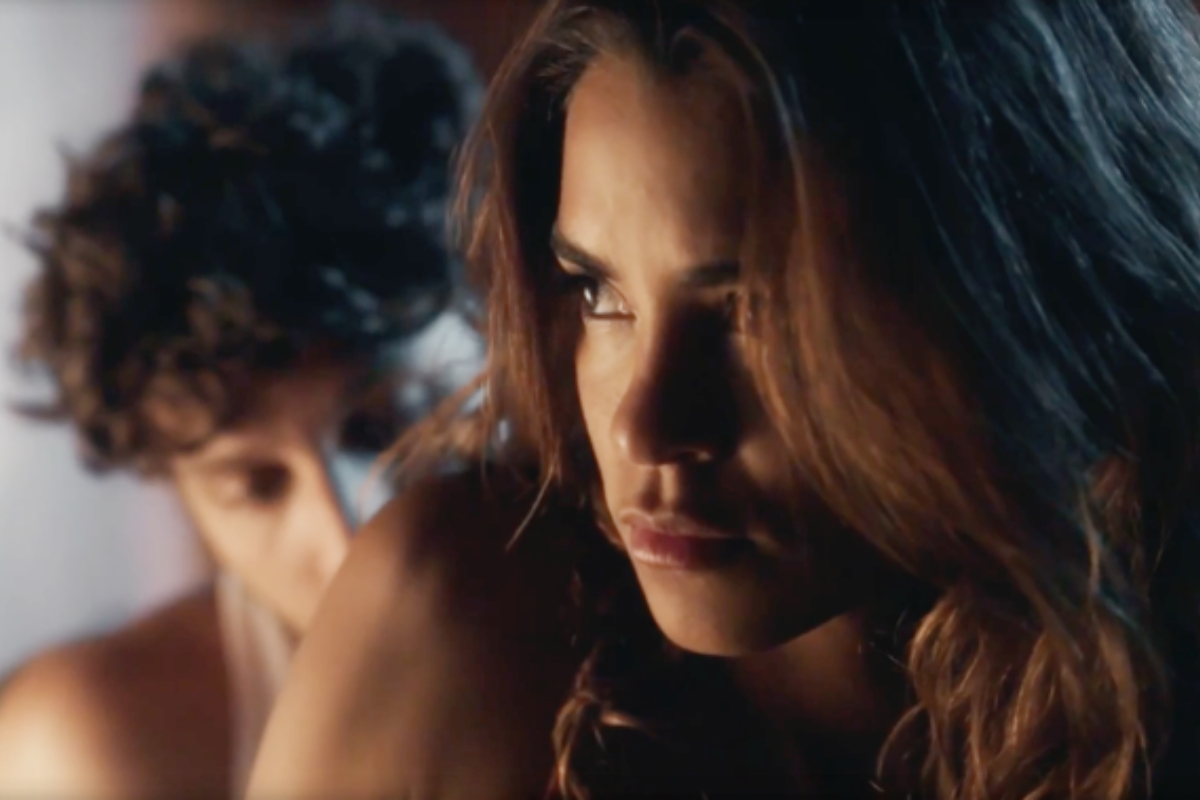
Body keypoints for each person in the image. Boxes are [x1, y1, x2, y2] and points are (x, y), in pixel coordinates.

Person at [248, 0, 1200, 797]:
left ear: (1020, 301)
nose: (645, 426)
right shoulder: (454, 618)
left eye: (762, 313)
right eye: (601, 293)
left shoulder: (1162, 642)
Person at [0, 8, 480, 799]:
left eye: (384, 424)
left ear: (497, 335)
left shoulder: (657, 634)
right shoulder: (109, 745)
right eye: (257, 485)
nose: (347, 534)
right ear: (184, 496)